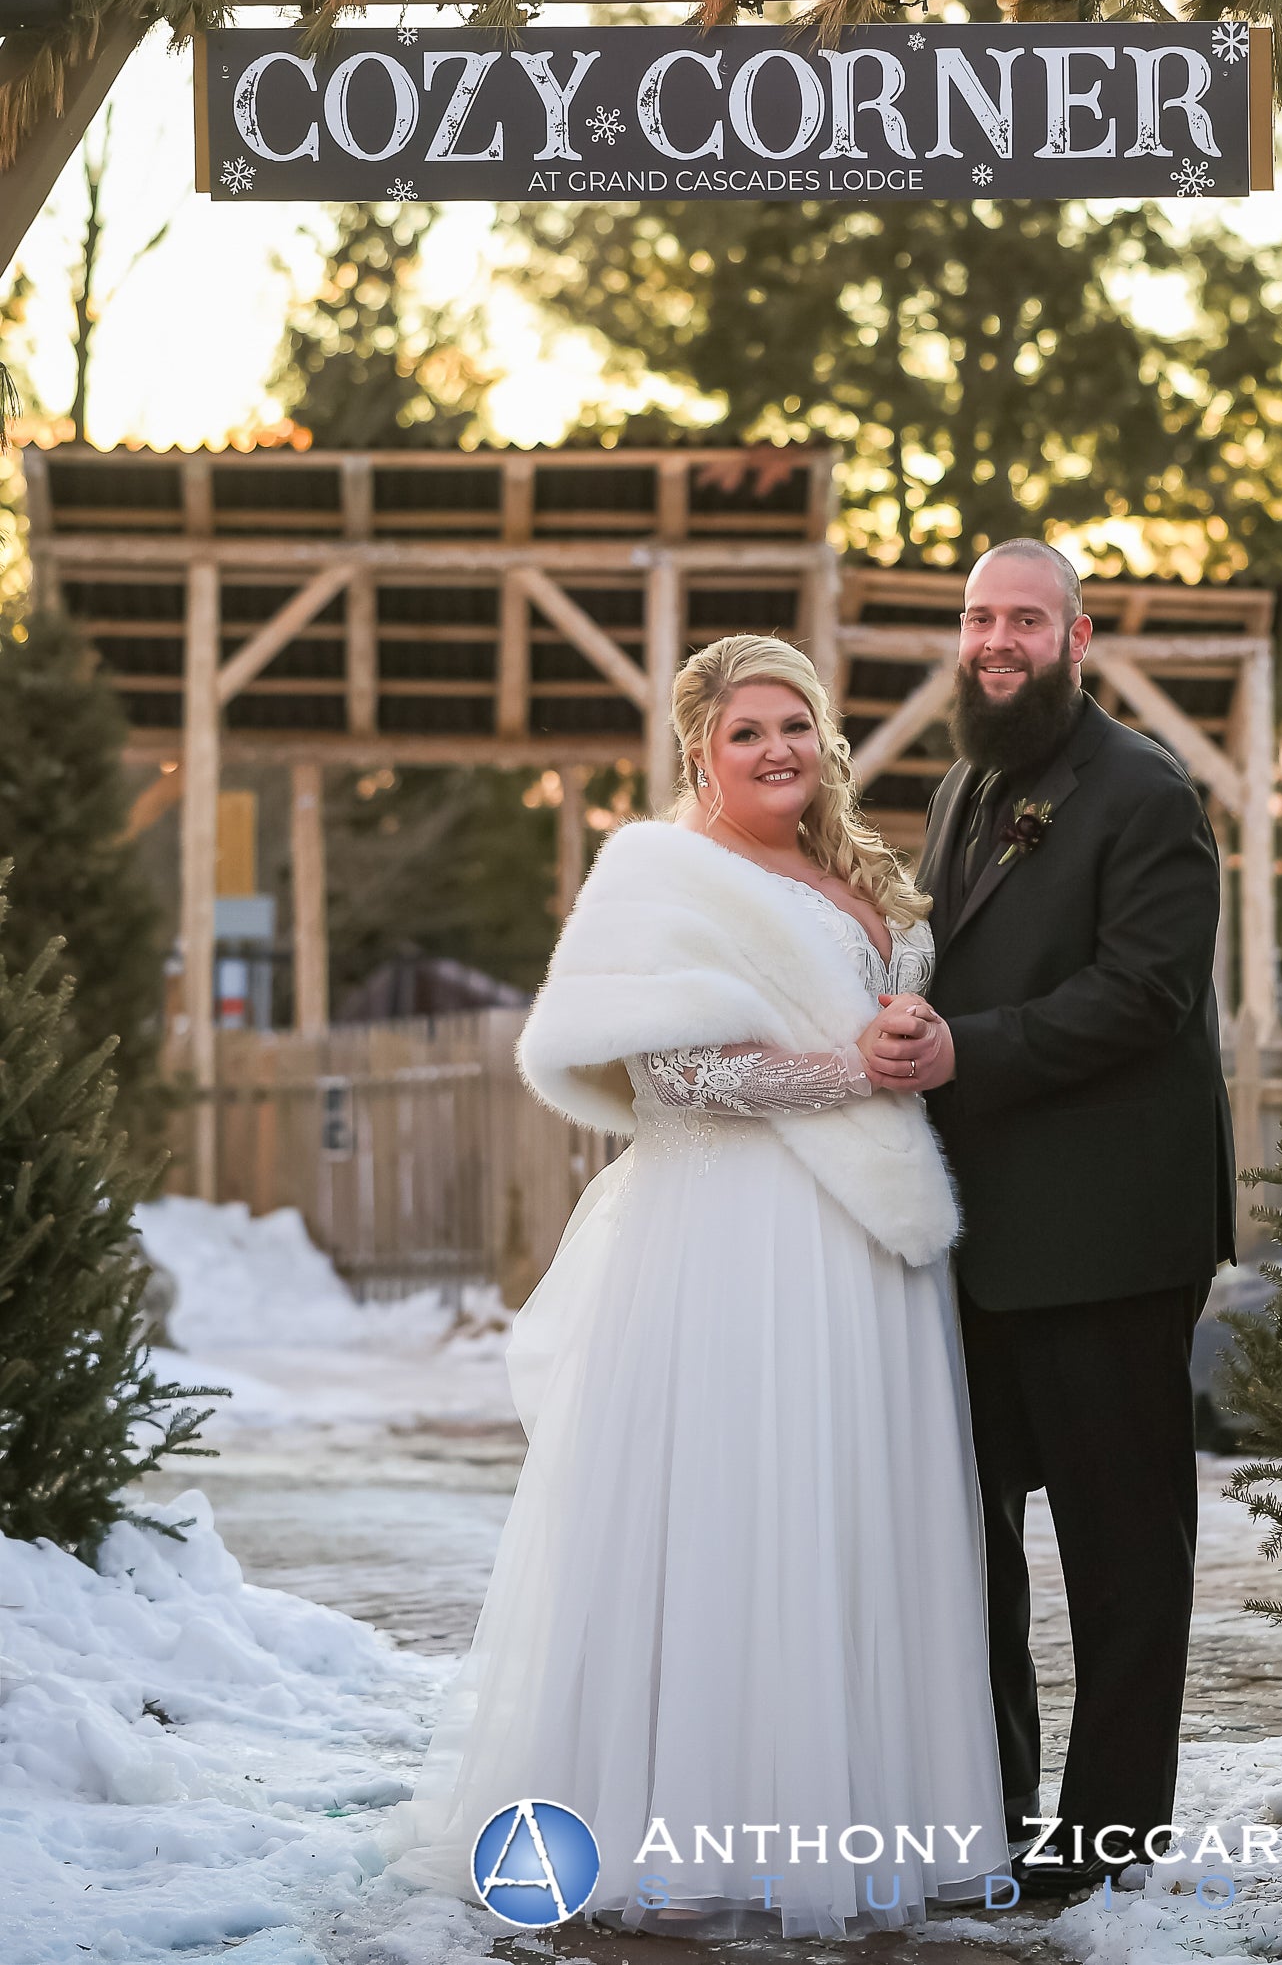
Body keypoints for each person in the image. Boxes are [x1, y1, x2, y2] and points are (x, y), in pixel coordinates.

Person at [384, 633, 1006, 1938]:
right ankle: (677, 1821)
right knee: (732, 1509)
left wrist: (901, 1038)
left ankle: (843, 1818)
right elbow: (669, 1076)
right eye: (745, 731)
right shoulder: (661, 874)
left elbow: (877, 1020)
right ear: (698, 753)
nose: (776, 747)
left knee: (842, 1509)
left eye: (796, 722)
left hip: (864, 1243)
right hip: (732, 1231)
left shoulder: (856, 874)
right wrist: (854, 1068)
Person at [859, 540, 1234, 1900]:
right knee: (970, 1540)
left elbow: (1145, 993)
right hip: (983, 1241)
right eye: (977, 617)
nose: (995, 638)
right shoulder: (965, 784)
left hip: (1112, 1241)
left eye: (1024, 616)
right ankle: (991, 1800)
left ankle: (1106, 1839)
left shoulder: (1143, 791)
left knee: (1121, 1553)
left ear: (1078, 637)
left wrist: (966, 1049)